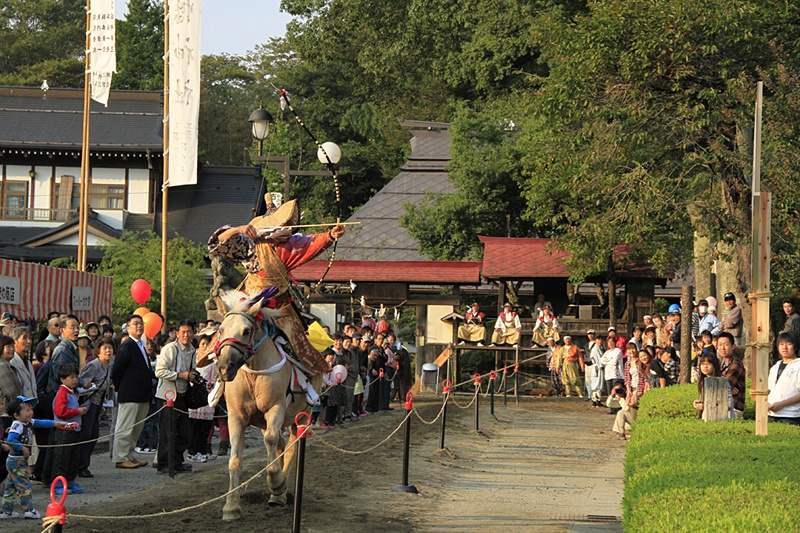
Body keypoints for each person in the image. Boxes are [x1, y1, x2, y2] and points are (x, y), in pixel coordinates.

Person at [208, 199, 343, 374]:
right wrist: (239, 229)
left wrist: (330, 235)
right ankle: (214, 378)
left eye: (287, 226)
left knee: (298, 340)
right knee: (226, 333)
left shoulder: (290, 246)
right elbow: (217, 242)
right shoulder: (251, 244)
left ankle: (307, 382)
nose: (287, 229)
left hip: (279, 303)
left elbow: (313, 242)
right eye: (283, 225)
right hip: (250, 301)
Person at [1, 397, 68, 519]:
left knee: (11, 486)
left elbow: (41, 423)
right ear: (16, 415)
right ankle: (28, 510)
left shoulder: (27, 422)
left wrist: (59, 423)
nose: (30, 413)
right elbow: (11, 439)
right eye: (27, 410)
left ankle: (6, 511)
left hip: (16, 461)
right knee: (24, 486)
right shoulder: (18, 424)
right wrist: (23, 448)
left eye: (30, 409)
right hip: (17, 461)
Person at [110, 314, 154, 469]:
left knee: (136, 428)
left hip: (142, 394)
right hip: (129, 393)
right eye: (135, 324)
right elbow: (117, 369)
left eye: (141, 323)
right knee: (125, 427)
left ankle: (129, 455)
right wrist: (119, 385)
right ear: (128, 327)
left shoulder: (141, 345)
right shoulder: (127, 345)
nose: (139, 326)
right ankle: (121, 457)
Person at [154, 319, 198, 473]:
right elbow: (159, 371)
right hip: (168, 396)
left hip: (183, 395)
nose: (186, 335)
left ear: (194, 333)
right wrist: (180, 375)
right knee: (167, 432)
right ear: (177, 333)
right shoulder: (169, 349)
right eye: (183, 332)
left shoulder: (193, 350)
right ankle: (164, 464)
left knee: (183, 432)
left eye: (189, 331)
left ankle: (177, 462)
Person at [76, 338, 114, 478]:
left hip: (98, 405)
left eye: (110, 348)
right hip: (88, 404)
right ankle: (81, 466)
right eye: (105, 349)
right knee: (86, 435)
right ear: (98, 351)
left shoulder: (108, 366)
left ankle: (83, 465)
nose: (108, 351)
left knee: (93, 435)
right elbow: (80, 384)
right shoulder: (93, 366)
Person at [50, 364, 88, 496]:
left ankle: (70, 482)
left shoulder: (71, 391)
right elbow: (60, 412)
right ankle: (57, 484)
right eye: (71, 377)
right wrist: (77, 411)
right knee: (62, 458)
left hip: (73, 430)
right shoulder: (62, 393)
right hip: (64, 430)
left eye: (76, 377)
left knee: (73, 457)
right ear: (62, 379)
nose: (75, 380)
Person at [767, 332, 800, 425]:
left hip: (791, 416)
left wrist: (782, 404)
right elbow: (768, 390)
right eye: (781, 344)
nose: (784, 347)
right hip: (771, 415)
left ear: (796, 347)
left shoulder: (798, 365)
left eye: (789, 344)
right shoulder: (775, 367)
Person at [692, 354, 734, 419]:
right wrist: (699, 403)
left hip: (721, 420)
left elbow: (728, 404)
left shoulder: (722, 381)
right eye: (702, 364)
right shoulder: (704, 381)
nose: (705, 366)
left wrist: (705, 406)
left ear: (715, 365)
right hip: (708, 420)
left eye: (708, 364)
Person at [716, 332, 745, 418]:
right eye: (720, 345)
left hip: (733, 410)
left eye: (726, 344)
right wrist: (729, 389)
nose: (722, 348)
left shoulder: (736, 363)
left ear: (733, 346)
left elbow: (723, 385)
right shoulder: (721, 364)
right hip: (721, 407)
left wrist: (727, 387)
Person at [600, 337, 624, 413]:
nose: (610, 343)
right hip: (608, 374)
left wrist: (608, 360)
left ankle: (618, 408)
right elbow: (602, 360)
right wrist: (609, 359)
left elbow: (614, 361)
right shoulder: (607, 352)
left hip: (616, 374)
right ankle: (612, 408)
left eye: (612, 341)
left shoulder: (618, 351)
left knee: (617, 391)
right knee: (610, 392)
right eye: (609, 342)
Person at [587, 336, 605, 407]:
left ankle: (595, 401)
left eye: (601, 340)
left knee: (598, 384)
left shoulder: (599, 348)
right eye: (598, 340)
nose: (600, 341)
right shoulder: (595, 349)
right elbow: (596, 359)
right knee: (597, 384)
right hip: (597, 367)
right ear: (595, 341)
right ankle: (596, 401)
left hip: (598, 367)